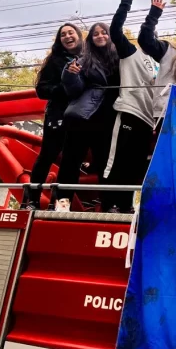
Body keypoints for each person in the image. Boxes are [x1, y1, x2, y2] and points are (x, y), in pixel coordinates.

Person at [102, 0, 156, 213]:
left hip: (148, 121)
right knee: (118, 161)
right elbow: (115, 31)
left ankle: (126, 206)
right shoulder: (130, 52)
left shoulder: (159, 64)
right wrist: (126, 3)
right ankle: (109, 205)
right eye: (148, 35)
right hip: (129, 111)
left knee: (136, 166)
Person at [55, 22, 120, 212]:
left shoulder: (120, 58)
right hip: (83, 118)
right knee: (71, 162)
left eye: (104, 33)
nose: (100, 36)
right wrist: (70, 76)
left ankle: (110, 205)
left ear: (110, 35)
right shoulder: (83, 60)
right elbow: (74, 90)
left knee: (105, 164)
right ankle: (62, 202)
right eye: (95, 34)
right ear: (90, 39)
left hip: (109, 119)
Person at [25, 23, 83, 210]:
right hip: (57, 115)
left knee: (72, 160)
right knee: (47, 156)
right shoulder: (55, 61)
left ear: (79, 36)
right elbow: (41, 90)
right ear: (60, 40)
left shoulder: (88, 59)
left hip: (80, 116)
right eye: (63, 34)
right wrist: (65, 88)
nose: (67, 36)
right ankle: (31, 200)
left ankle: (62, 202)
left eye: (70, 32)